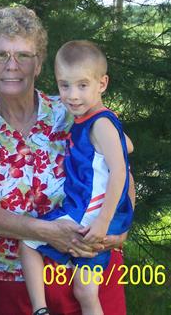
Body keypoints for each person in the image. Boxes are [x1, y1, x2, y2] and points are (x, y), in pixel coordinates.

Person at [0, 6, 135, 315]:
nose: (12, 66)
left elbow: (122, 170)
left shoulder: (73, 112)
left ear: (38, 66)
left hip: (91, 267)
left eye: (23, 55)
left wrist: (120, 230)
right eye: (0, 55)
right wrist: (41, 231)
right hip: (17, 282)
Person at [20, 40, 134, 315]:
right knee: (85, 291)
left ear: (102, 84)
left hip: (90, 212)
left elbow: (120, 169)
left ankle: (40, 309)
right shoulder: (95, 120)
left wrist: (104, 221)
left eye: (82, 85)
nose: (72, 95)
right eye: (64, 85)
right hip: (97, 214)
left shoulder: (100, 123)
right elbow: (127, 147)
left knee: (28, 242)